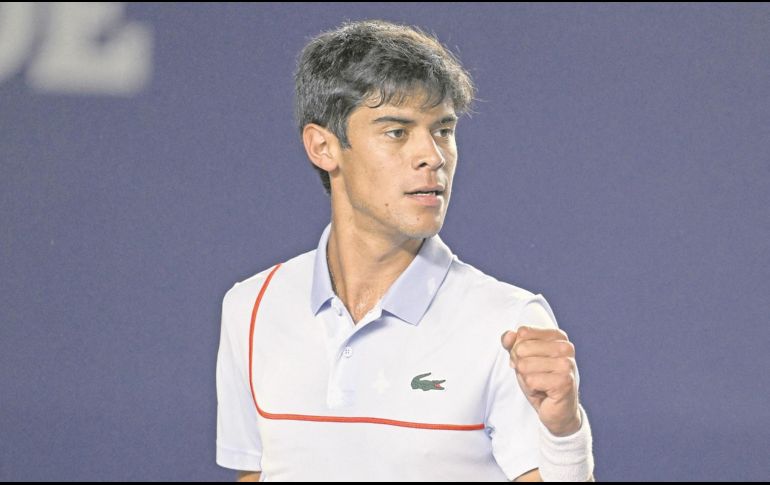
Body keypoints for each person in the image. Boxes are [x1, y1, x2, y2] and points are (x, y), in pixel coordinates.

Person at [216, 19, 594, 482]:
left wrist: (563, 433)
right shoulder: (250, 308)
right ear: (323, 147)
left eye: (443, 131)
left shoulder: (511, 324)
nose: (433, 156)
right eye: (397, 131)